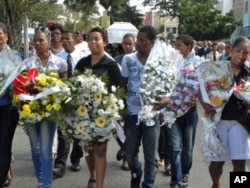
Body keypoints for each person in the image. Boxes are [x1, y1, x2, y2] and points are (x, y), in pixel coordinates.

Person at [199, 36, 250, 188]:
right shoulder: (216, 69)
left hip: (240, 121)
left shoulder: (248, 74)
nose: (241, 55)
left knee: (239, 163)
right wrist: (206, 106)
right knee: (217, 162)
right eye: (238, 51)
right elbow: (200, 89)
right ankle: (216, 183)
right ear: (230, 50)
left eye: (246, 53)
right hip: (218, 121)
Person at [75, 27, 123, 188]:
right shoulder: (82, 64)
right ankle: (92, 175)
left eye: (97, 38)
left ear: (105, 43)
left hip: (104, 115)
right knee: (88, 149)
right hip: (84, 114)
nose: (93, 42)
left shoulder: (111, 65)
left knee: (100, 150)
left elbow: (119, 91)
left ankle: (99, 185)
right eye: (90, 38)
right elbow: (73, 87)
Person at [23, 26, 67, 188]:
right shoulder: (27, 63)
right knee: (35, 149)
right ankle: (40, 179)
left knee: (46, 150)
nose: (37, 43)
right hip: (31, 112)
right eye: (35, 41)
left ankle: (46, 184)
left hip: (50, 113)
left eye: (41, 40)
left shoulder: (60, 63)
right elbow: (21, 86)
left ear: (49, 41)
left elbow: (65, 86)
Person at [154, 34, 199, 188]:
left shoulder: (197, 64)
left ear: (189, 47)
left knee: (187, 149)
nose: (176, 48)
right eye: (175, 45)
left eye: (179, 45)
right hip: (171, 112)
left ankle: (185, 173)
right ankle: (176, 179)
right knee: (174, 146)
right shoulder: (168, 63)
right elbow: (161, 85)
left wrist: (197, 98)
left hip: (189, 112)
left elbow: (198, 87)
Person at [121, 25, 159, 188]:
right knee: (130, 153)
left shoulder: (160, 61)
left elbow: (168, 85)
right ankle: (136, 170)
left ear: (152, 42)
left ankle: (148, 184)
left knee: (151, 155)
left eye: (142, 40)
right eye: (138, 39)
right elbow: (123, 85)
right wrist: (122, 109)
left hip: (152, 114)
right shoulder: (128, 59)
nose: (138, 43)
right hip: (132, 113)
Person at [53, 29, 86, 179]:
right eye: (63, 38)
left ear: (74, 40)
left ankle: (76, 157)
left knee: (78, 132)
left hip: (79, 100)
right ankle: (60, 165)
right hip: (63, 101)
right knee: (63, 133)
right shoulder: (57, 58)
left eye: (68, 38)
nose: (64, 41)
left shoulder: (82, 58)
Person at [0, 22, 22, 188]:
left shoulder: (15, 57)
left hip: (8, 107)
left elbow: (22, 81)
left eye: (0, 33)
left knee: (4, 144)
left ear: (6, 36)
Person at [114, 33, 136, 171]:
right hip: (118, 98)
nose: (127, 46)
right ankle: (123, 146)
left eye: (130, 44)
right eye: (125, 43)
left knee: (130, 130)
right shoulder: (116, 60)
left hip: (132, 99)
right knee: (116, 128)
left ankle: (126, 158)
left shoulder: (136, 59)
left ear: (134, 45)